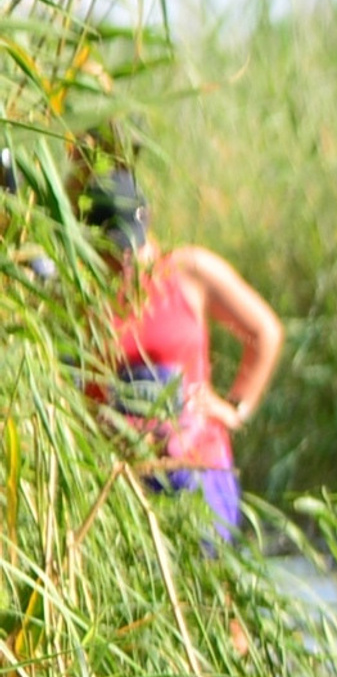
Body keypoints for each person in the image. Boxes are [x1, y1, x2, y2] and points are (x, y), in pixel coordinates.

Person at [88, 166, 283, 542]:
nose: (125, 259)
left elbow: (265, 332)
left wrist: (236, 408)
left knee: (202, 575)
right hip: (119, 477)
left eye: (133, 245)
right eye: (113, 248)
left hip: (198, 464)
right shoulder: (85, 295)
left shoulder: (188, 271)